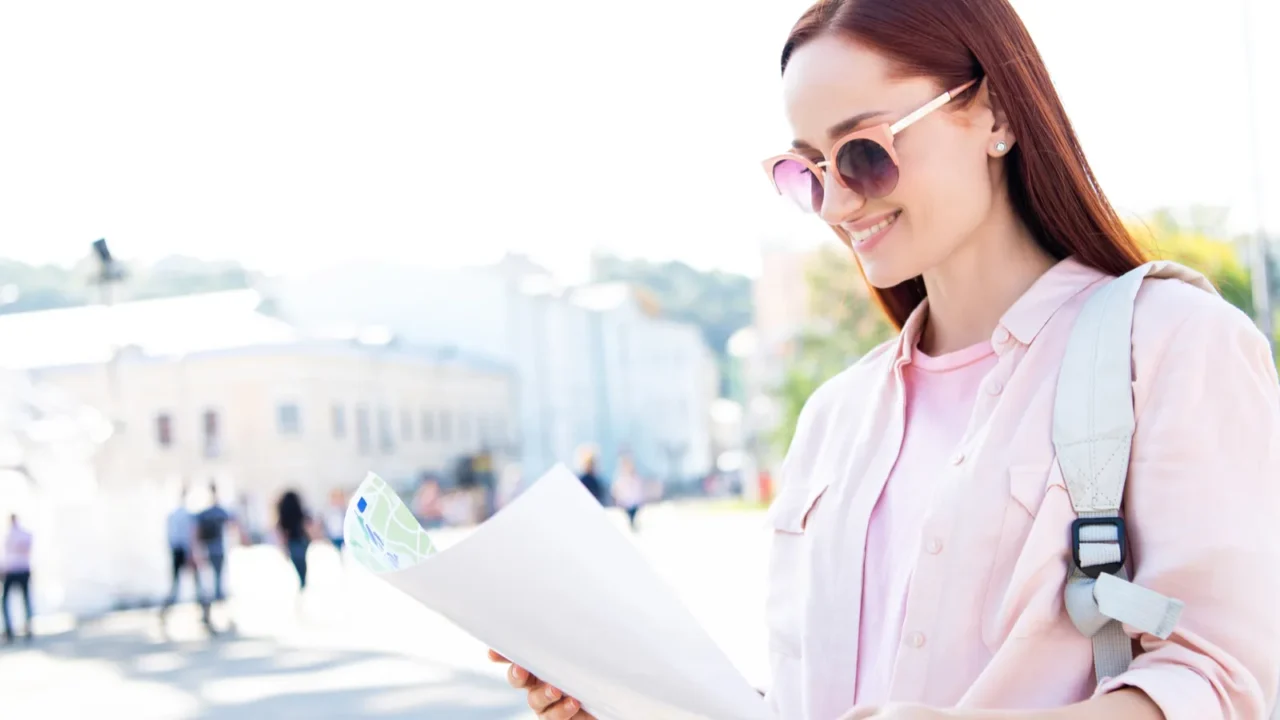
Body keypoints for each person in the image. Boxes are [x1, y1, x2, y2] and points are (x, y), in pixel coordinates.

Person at [491, 1, 1280, 718]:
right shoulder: (835, 416)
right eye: (808, 171)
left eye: (864, 154)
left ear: (995, 112)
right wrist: (629, 702)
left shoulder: (1174, 343)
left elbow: (1224, 683)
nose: (837, 204)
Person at [160, 487, 206, 623]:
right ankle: (204, 614)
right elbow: (191, 536)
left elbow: (170, 537)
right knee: (198, 584)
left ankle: (164, 612)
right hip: (186, 551)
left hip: (176, 551)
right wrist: (192, 554)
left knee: (176, 585)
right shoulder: (188, 515)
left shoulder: (172, 515)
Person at [194, 482, 235, 608]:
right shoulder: (219, 511)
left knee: (209, 578)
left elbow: (196, 531)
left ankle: (211, 600)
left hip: (208, 548)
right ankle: (216, 599)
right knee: (216, 576)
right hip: (217, 548)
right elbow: (232, 523)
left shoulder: (204, 513)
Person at [2, 514, 33, 644]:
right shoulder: (26, 534)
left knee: (5, 601)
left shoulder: (7, 535)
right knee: (25, 599)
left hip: (11, 570)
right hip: (24, 569)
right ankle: (27, 626)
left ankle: (9, 629)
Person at [276, 490, 313, 591]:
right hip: (302, 540)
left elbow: (282, 531)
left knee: (297, 563)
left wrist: (283, 546)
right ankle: (303, 582)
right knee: (303, 562)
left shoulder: (284, 514)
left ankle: (302, 582)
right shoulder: (299, 511)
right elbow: (308, 522)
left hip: (292, 541)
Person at [610, 454, 645, 531]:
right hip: (624, 507)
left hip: (635, 506)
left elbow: (639, 492)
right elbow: (615, 493)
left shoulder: (636, 479)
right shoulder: (619, 479)